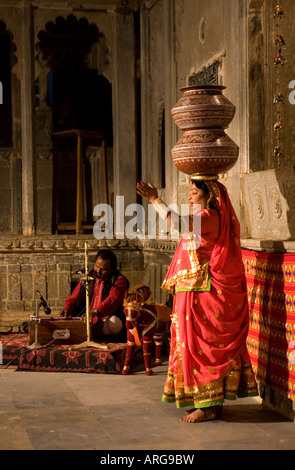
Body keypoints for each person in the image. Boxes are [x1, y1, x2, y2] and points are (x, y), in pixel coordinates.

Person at [137, 179, 258, 423]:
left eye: (194, 191)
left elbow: (177, 224)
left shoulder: (209, 216)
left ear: (209, 194)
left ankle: (210, 406)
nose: (190, 194)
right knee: (189, 343)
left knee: (202, 346)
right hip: (193, 287)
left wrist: (154, 199)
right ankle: (207, 401)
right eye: (190, 191)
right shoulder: (202, 217)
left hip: (204, 290)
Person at [59, 249, 129, 341]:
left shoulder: (119, 280)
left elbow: (112, 300)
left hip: (103, 320)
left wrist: (94, 312)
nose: (98, 271)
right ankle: (84, 332)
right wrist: (66, 308)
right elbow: (73, 298)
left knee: (114, 322)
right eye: (97, 266)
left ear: (111, 269)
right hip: (84, 319)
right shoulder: (88, 277)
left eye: (103, 269)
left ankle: (85, 333)